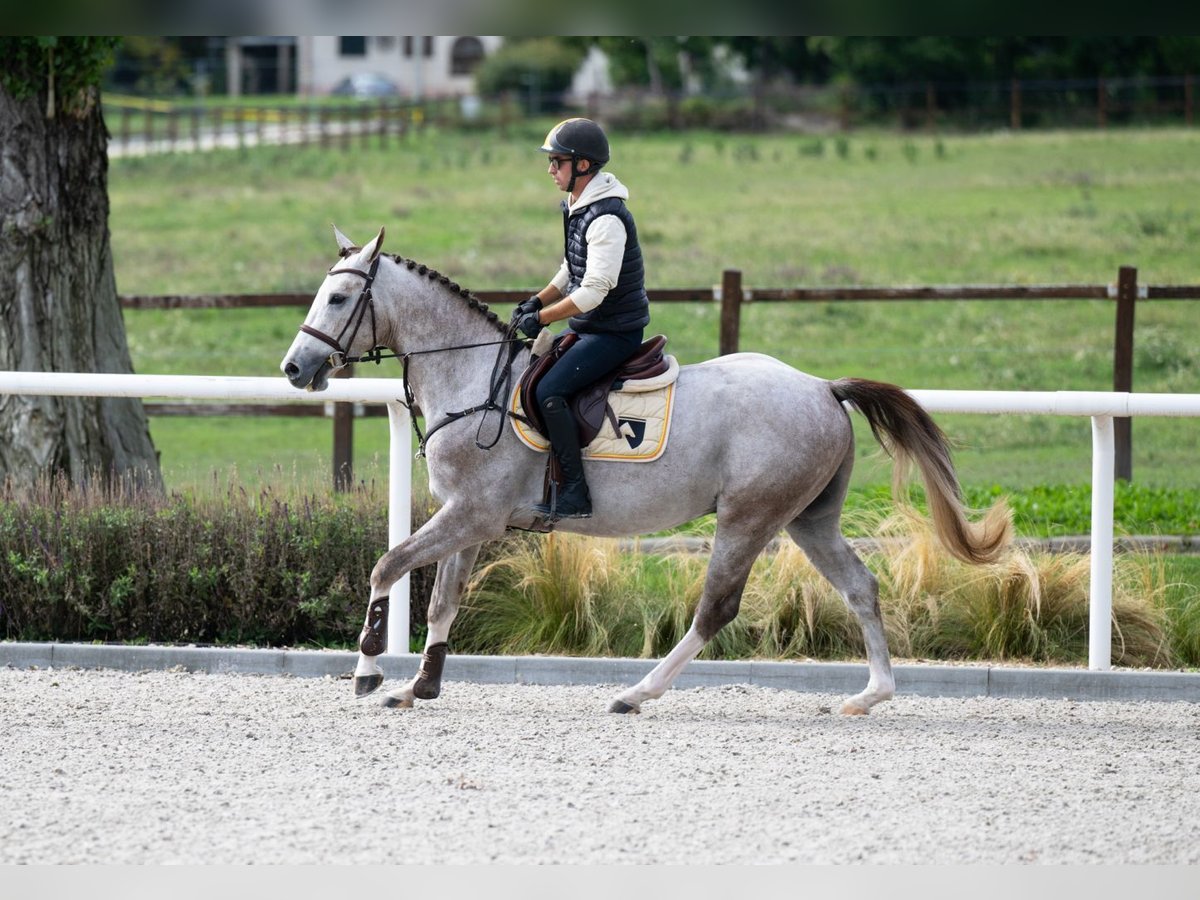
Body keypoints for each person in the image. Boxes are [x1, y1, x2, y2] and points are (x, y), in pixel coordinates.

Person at [512, 117, 650, 522]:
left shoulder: (606, 218)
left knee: (549, 392)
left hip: (615, 333)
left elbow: (593, 290)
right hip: (591, 327)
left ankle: (574, 492)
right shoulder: (578, 206)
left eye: (557, 162)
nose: (551, 170)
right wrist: (536, 300)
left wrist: (543, 317)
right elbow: (570, 268)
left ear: (583, 166)